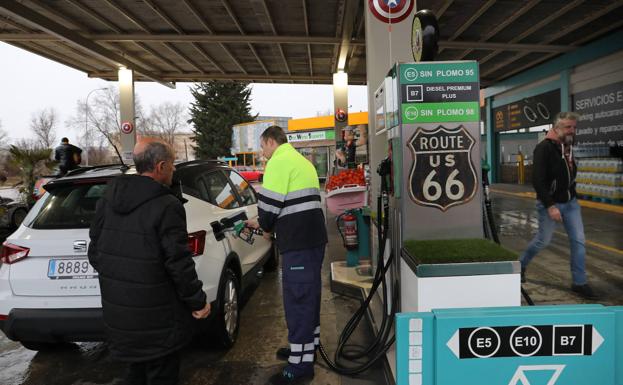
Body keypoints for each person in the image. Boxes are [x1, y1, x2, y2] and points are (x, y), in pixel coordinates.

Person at [88, 139, 211, 385]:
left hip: (120, 318)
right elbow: (178, 263)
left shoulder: (107, 199)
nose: (175, 170)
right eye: (173, 164)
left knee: (134, 375)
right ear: (161, 166)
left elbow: (95, 252)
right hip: (159, 322)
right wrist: (197, 301)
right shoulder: (167, 205)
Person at [246, 126, 327, 385]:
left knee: (298, 302)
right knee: (308, 297)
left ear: (271, 141)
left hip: (299, 245)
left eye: (262, 146)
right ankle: (306, 350)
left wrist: (264, 225)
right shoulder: (301, 161)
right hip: (312, 242)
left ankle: (300, 367)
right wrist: (267, 224)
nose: (262, 152)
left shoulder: (279, 163)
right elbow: (292, 204)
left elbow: (269, 211)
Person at [520, 112, 596, 299]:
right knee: (543, 240)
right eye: (568, 127)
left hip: (571, 203)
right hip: (550, 204)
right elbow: (538, 180)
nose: (572, 130)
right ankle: (519, 266)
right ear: (556, 127)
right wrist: (550, 205)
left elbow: (568, 174)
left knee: (578, 241)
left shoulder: (568, 146)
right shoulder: (544, 148)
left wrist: (573, 193)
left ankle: (579, 282)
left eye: (574, 127)